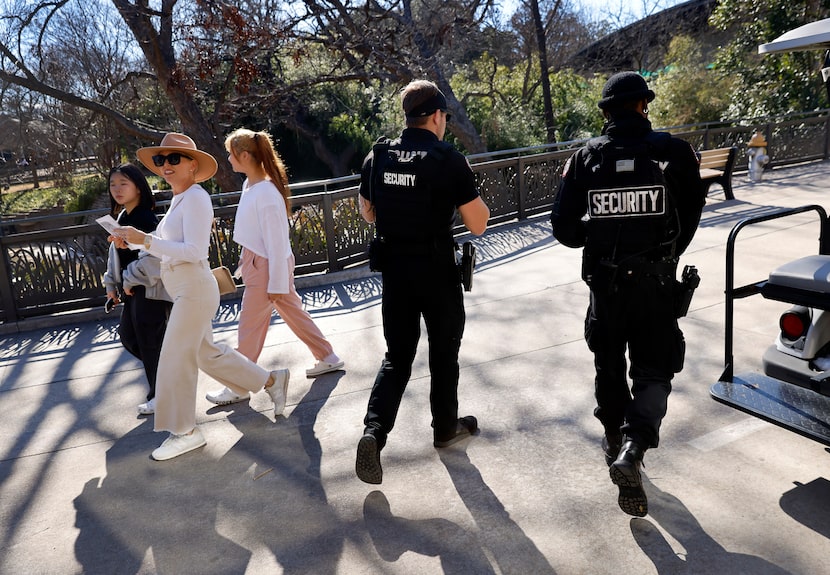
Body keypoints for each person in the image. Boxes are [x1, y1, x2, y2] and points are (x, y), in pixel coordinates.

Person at [550, 72, 705, 516]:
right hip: (656, 285)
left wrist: (598, 239)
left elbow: (563, 229)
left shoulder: (585, 159)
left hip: (606, 285)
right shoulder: (674, 153)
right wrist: (664, 254)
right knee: (656, 368)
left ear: (606, 112)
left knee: (609, 362)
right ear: (643, 105)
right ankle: (634, 449)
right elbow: (691, 215)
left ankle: (615, 437)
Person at [115, 133, 290, 461]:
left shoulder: (196, 198)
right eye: (161, 160)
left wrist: (147, 241)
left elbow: (194, 251)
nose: (165, 166)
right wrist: (135, 240)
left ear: (193, 165)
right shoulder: (181, 199)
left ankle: (185, 431)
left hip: (193, 289)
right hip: (183, 289)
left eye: (174, 159)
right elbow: (167, 244)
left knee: (174, 358)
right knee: (207, 354)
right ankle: (271, 380)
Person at [354, 80, 490, 484]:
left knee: (397, 356)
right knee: (444, 350)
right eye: (444, 117)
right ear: (436, 116)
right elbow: (479, 224)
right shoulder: (448, 158)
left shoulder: (377, 155)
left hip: (395, 268)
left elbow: (368, 213)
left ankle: (373, 433)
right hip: (435, 268)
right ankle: (445, 428)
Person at [203, 128, 344, 407]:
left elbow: (278, 242)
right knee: (293, 314)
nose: (228, 160)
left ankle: (239, 384)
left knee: (249, 327)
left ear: (244, 155)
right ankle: (328, 357)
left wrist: (277, 283)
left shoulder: (265, 192)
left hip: (266, 266)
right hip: (261, 264)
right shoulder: (253, 187)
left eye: (231, 154)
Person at [103, 163, 172, 415]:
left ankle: (161, 395)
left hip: (149, 289)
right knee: (131, 338)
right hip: (133, 289)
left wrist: (129, 280)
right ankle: (169, 379)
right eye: (113, 184)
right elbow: (116, 255)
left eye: (123, 183)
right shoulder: (122, 217)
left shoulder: (145, 218)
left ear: (139, 188)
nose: (117, 189)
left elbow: (154, 260)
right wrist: (112, 284)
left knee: (149, 342)